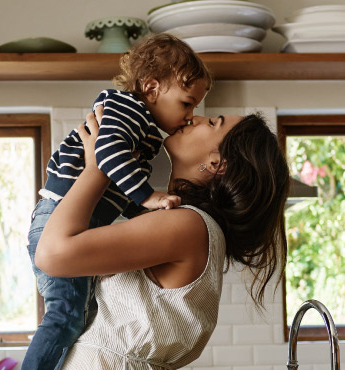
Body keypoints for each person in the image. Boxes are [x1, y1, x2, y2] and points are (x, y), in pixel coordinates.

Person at [35, 107, 290, 369]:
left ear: (217, 163)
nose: (195, 117)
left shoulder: (188, 225)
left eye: (213, 123)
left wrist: (98, 166)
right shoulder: (192, 225)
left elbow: (52, 254)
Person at [22, 34, 212, 370]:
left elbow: (117, 184)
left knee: (80, 315)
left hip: (67, 219)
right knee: (64, 318)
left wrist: (141, 209)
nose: (189, 115)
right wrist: (148, 197)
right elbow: (105, 156)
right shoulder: (129, 109)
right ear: (151, 88)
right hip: (56, 217)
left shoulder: (144, 128)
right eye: (186, 103)